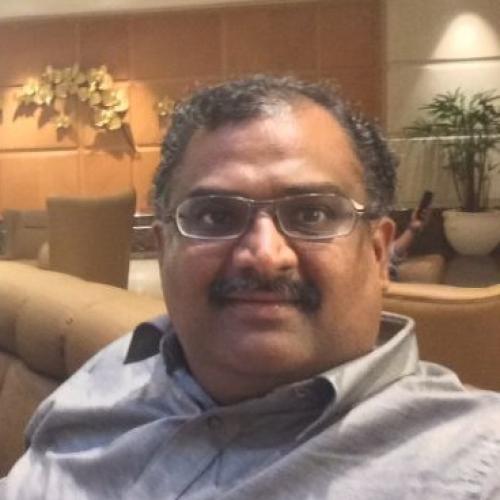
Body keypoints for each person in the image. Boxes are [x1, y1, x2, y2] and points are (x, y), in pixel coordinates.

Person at [2, 75, 499, 499]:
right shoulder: (115, 371)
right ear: (164, 247)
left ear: (376, 252)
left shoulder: (474, 462)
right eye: (215, 216)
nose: (264, 254)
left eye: (312, 214)